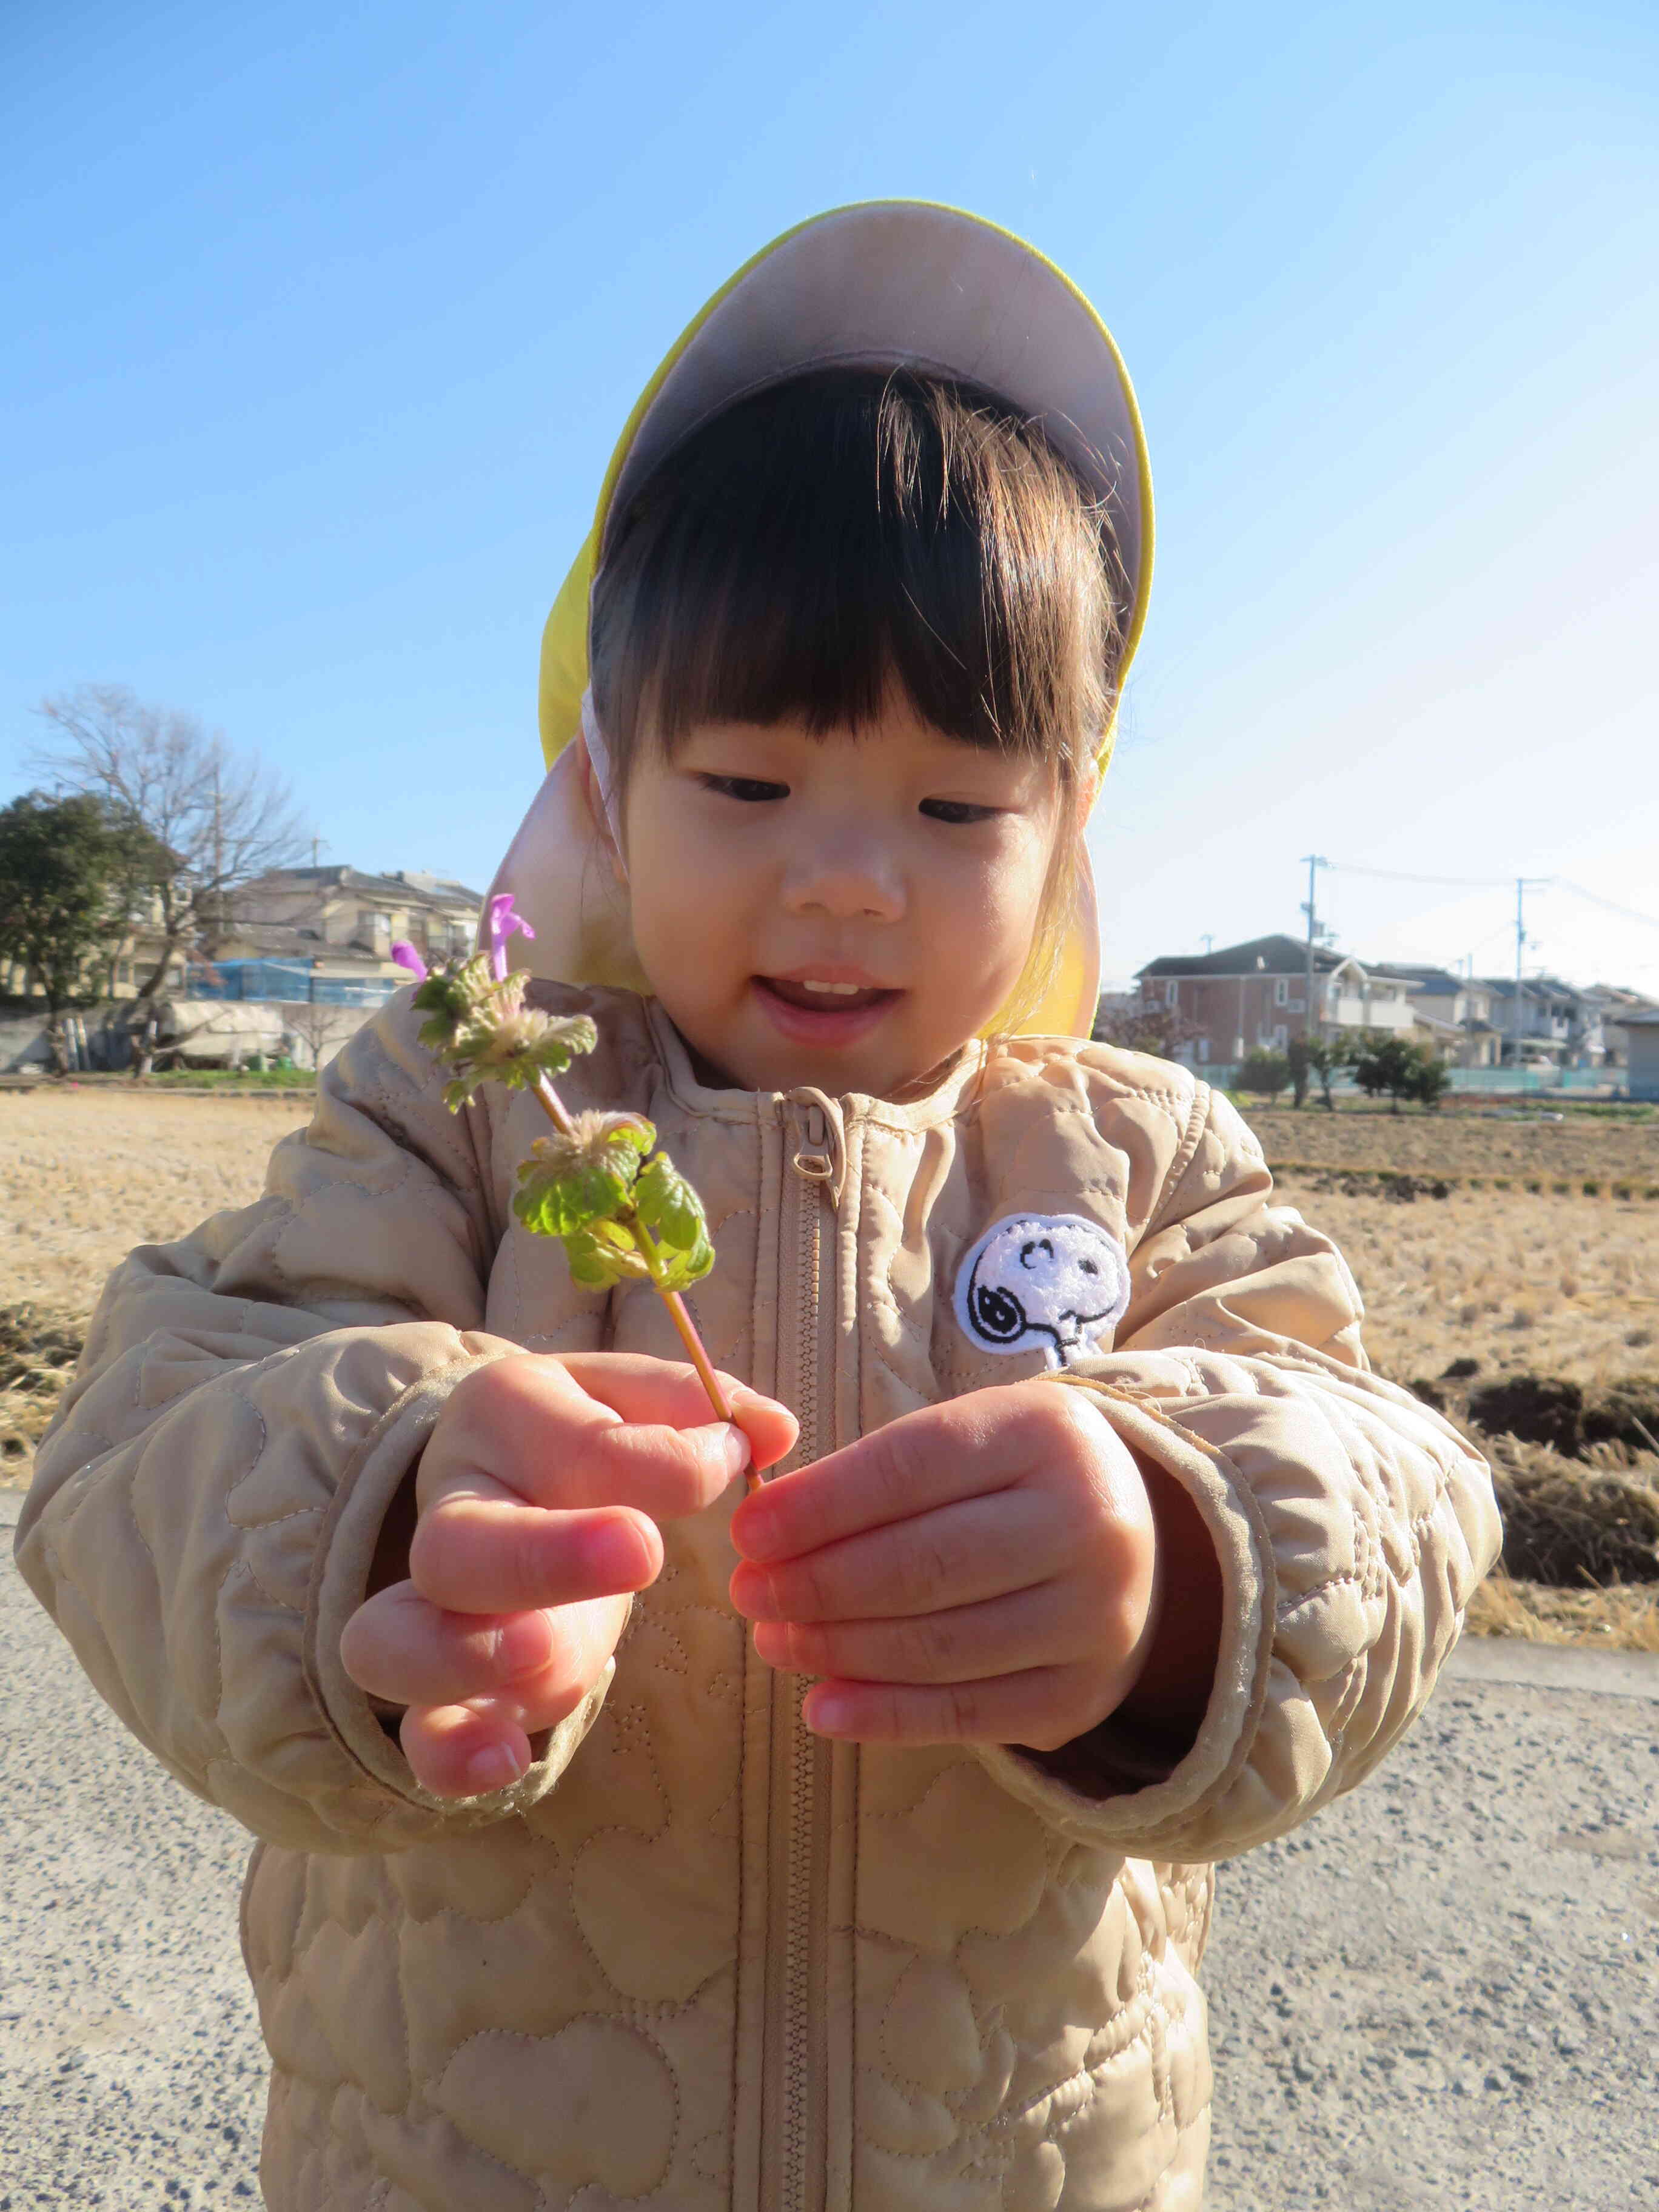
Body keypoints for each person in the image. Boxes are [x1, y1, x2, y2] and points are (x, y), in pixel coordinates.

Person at [16, 202, 1500, 2211]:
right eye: (748, 785)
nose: (849, 880)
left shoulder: (1137, 1154)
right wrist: (387, 1507)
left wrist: (1182, 1556)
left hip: (1019, 2151)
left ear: (1068, 826)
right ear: (607, 795)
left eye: (957, 807)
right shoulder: (471, 1112)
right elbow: (142, 1442)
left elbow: (1397, 1484)